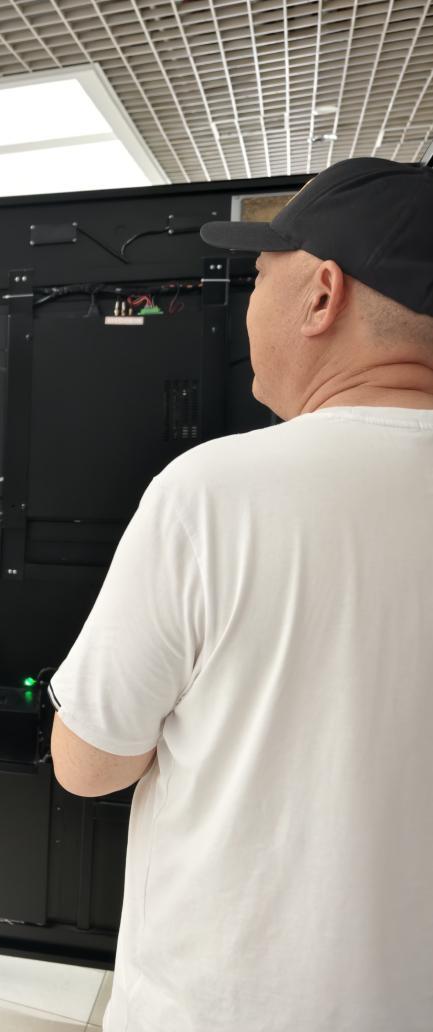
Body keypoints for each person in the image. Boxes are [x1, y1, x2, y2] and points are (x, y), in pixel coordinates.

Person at [49, 156, 433, 1030]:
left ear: (322, 295)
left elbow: (88, 763)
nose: (245, 304)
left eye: (259, 275)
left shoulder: (212, 494)